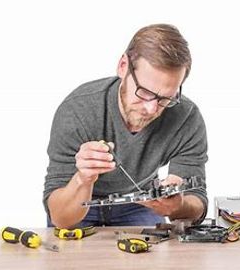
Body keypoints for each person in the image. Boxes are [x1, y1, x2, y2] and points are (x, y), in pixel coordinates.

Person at [43, 23, 208, 229]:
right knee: (67, 257)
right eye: (145, 92)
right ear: (123, 66)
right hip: (80, 203)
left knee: (153, 258)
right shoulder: (78, 110)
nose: (151, 108)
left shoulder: (186, 117)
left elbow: (197, 203)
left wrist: (178, 204)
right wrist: (83, 179)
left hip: (138, 204)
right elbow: (60, 218)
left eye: (165, 98)